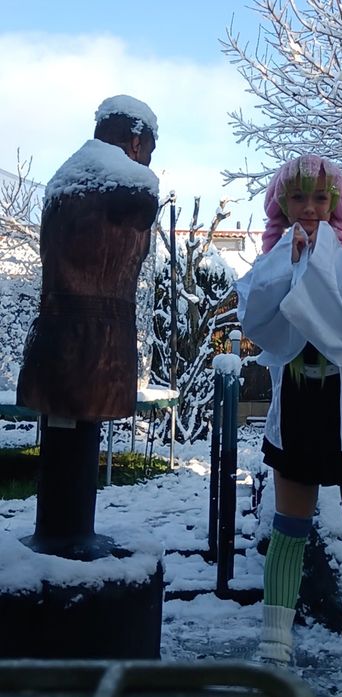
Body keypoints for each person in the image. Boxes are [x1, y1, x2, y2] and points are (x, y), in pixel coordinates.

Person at [236, 154, 342, 697]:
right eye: (298, 197)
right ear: (281, 203)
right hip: (300, 411)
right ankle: (273, 658)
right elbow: (258, 319)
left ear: (336, 203)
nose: (309, 208)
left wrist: (323, 256)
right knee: (289, 533)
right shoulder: (271, 258)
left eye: (320, 197)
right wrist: (287, 263)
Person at [17, 94, 159, 558]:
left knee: (64, 436)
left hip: (53, 334)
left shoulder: (64, 180)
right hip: (99, 342)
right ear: (135, 141)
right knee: (76, 442)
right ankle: (70, 537)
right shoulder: (129, 182)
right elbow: (144, 204)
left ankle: (58, 533)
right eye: (149, 149)